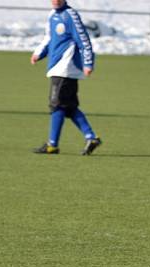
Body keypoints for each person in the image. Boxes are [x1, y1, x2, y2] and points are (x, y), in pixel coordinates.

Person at [31, 0, 102, 155]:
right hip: (56, 66)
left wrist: (88, 63)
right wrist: (39, 53)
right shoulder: (52, 15)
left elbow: (84, 40)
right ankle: (91, 137)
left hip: (66, 67)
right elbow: (49, 38)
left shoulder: (71, 15)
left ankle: (52, 144)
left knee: (56, 105)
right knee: (68, 107)